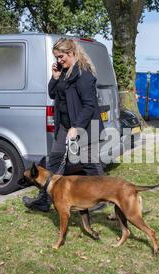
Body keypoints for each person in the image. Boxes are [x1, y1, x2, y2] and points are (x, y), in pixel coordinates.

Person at [22, 37, 105, 212]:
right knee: (54, 163)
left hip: (86, 127)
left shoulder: (84, 75)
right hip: (64, 127)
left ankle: (101, 200)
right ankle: (44, 201)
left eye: (61, 57)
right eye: (56, 58)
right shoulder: (64, 72)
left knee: (89, 164)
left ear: (71, 53)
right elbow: (53, 94)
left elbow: (89, 105)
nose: (58, 61)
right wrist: (55, 77)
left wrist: (76, 127)